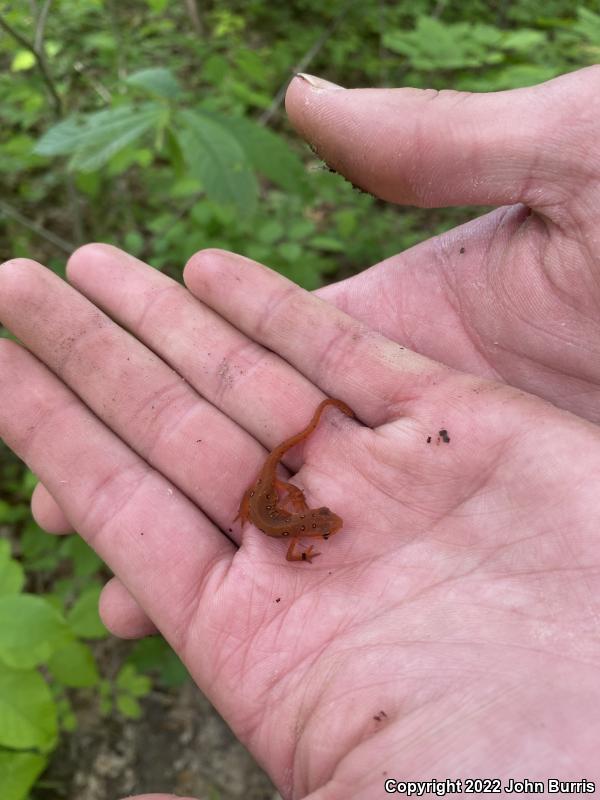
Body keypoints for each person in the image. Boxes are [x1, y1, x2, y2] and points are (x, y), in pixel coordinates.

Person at [1, 66, 599, 800]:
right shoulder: (290, 530)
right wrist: (291, 521)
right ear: (305, 514)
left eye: (320, 525)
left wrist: (292, 516)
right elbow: (281, 539)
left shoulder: (294, 525)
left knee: (271, 468)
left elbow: (284, 534)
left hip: (264, 500)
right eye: (318, 524)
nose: (323, 527)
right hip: (259, 501)